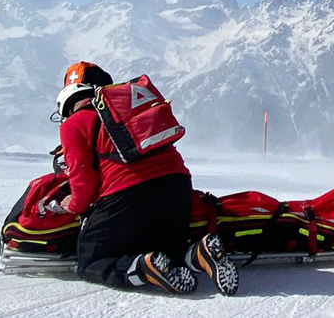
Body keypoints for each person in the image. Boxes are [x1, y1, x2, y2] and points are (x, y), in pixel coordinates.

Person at [54, 61, 239, 295]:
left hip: (127, 192)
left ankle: (143, 269)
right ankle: (199, 254)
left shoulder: (74, 123)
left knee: (91, 261)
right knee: (166, 251)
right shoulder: (126, 112)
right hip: (177, 185)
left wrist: (71, 205)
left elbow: (84, 183)